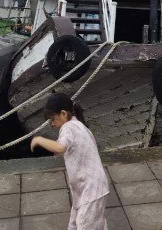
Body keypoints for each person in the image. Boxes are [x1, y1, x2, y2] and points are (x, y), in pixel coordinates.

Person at [30, 93, 109, 230]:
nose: (52, 124)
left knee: (85, 225)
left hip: (91, 190)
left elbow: (60, 147)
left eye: (52, 119)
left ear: (63, 114)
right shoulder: (79, 125)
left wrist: (39, 140)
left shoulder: (69, 128)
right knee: (78, 224)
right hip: (87, 189)